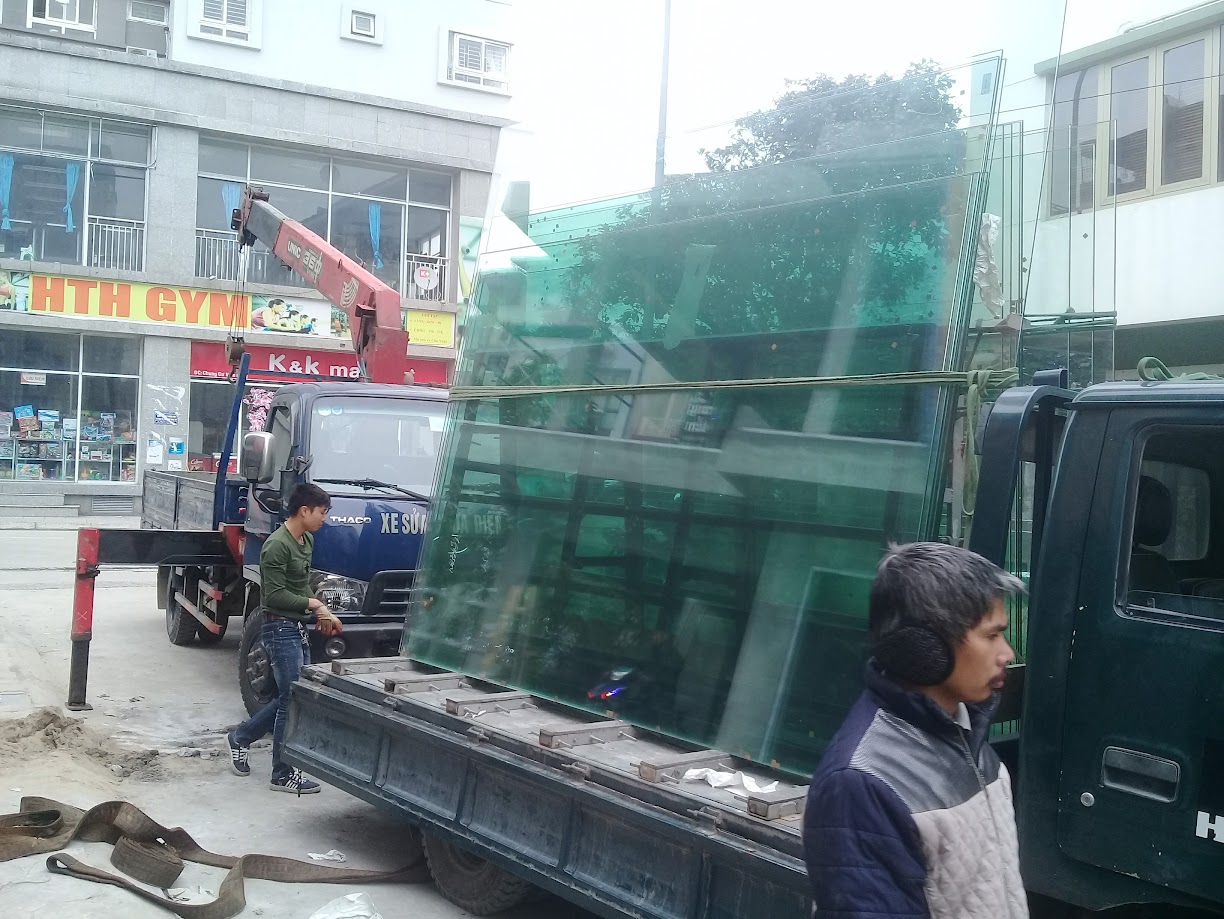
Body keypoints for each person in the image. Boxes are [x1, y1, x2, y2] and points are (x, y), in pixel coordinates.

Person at [803, 542, 1027, 918]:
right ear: (924, 648)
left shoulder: (964, 728)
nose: (1007, 654)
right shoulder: (861, 784)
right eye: (992, 636)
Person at [227, 483, 343, 794]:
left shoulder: (306, 540)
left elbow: (301, 584)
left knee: (292, 696)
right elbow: (275, 596)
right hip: (278, 628)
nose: (324, 519)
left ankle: (241, 737)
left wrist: (323, 612)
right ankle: (281, 774)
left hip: (296, 626)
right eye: (322, 512)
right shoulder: (276, 546)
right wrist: (315, 605)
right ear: (304, 511)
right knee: (291, 699)